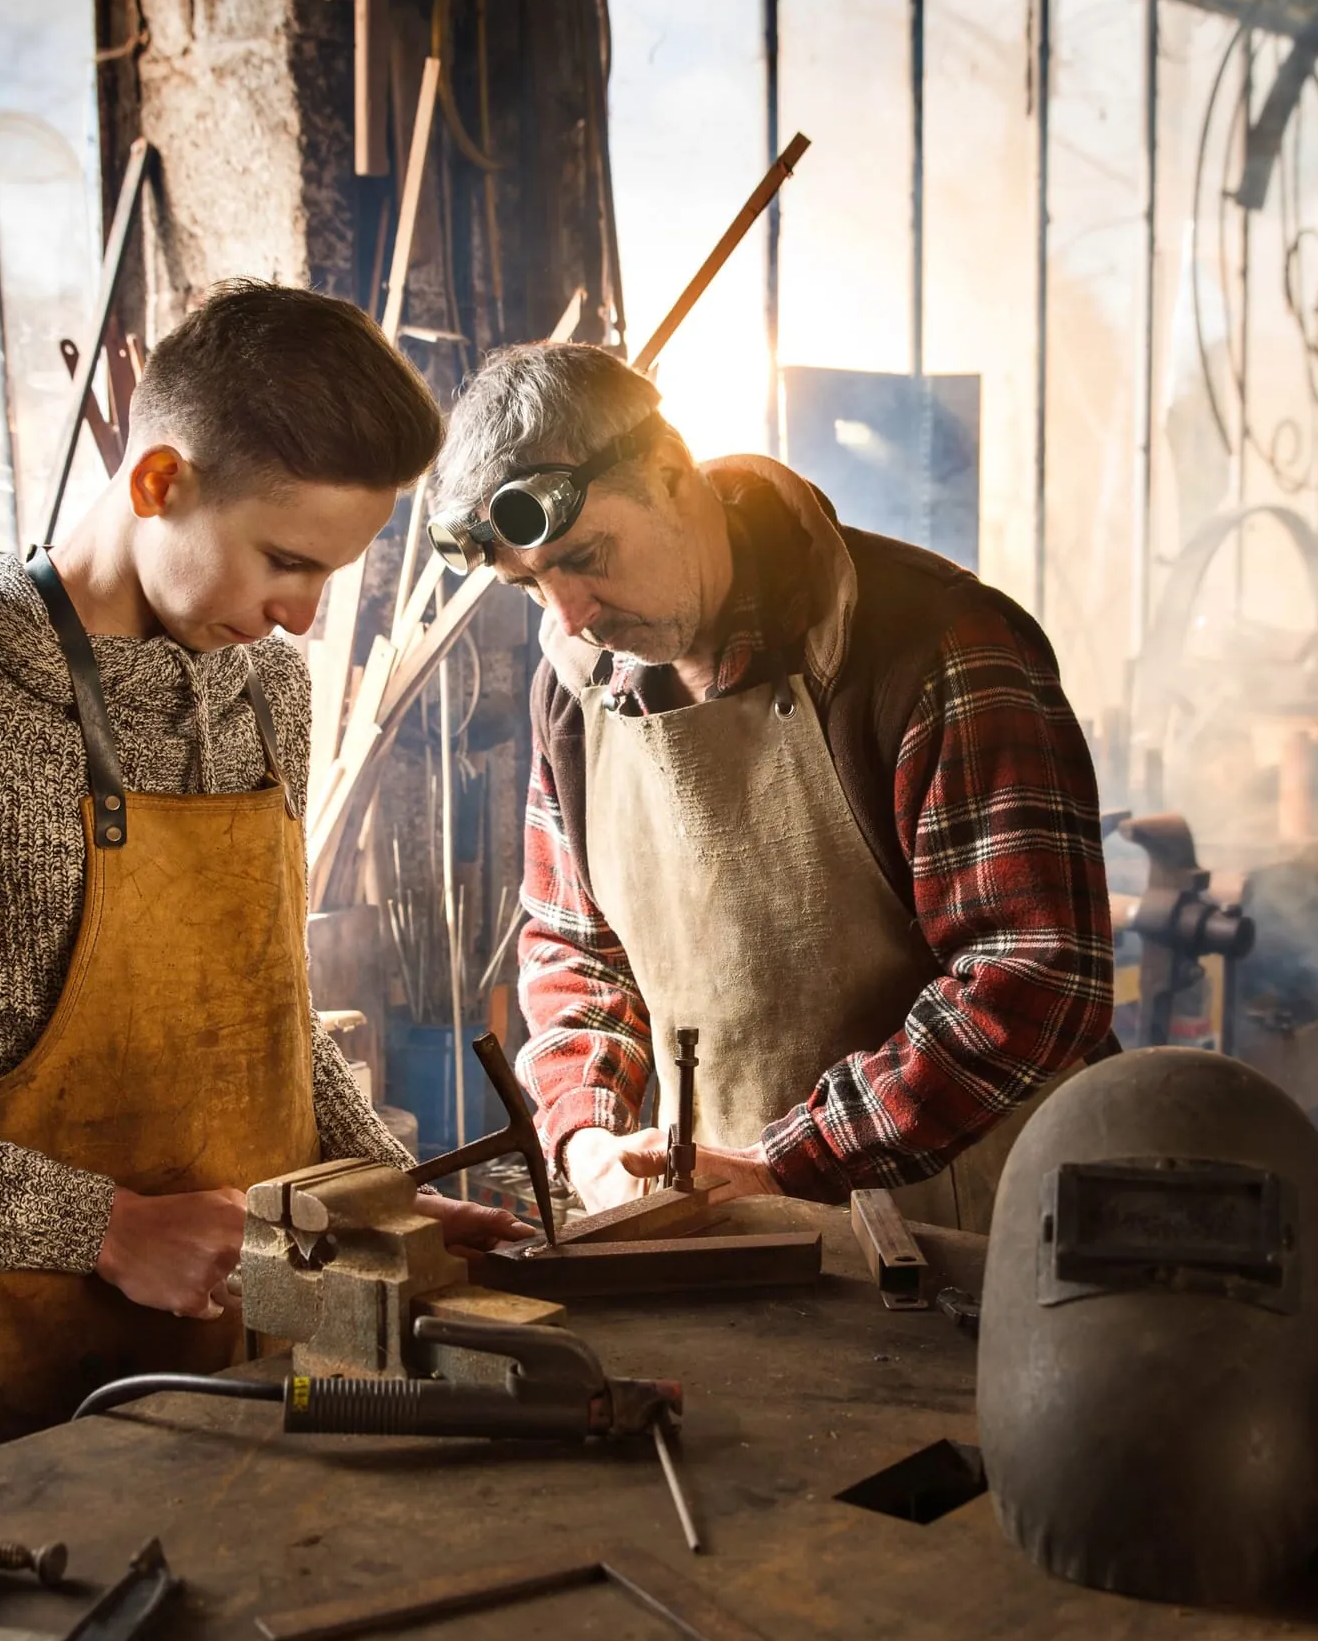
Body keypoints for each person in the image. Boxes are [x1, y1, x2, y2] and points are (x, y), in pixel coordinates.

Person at [0, 281, 527, 1477]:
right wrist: (105, 1229)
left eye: (331, 576)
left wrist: (375, 1204)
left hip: (263, 1359)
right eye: (286, 561)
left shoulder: (261, 690)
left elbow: (267, 1016)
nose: (301, 619)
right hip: (24, 1395)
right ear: (158, 483)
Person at [426, 342, 1113, 1233]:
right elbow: (575, 951)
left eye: (588, 555)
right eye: (530, 586)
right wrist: (585, 1139)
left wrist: (783, 1164)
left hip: (984, 1240)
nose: (569, 615)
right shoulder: (574, 687)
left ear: (673, 474)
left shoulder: (936, 648)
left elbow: (1033, 975)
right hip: (730, 1232)